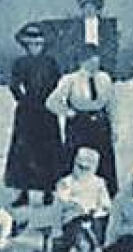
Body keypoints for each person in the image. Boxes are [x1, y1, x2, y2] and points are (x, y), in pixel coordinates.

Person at [4, 23, 67, 209]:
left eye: (38, 45)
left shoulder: (51, 63)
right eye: (31, 45)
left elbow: (58, 85)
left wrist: (50, 101)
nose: (34, 48)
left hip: (47, 113)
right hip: (27, 113)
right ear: (26, 46)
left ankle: (49, 191)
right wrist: (24, 100)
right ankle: (23, 191)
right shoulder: (20, 63)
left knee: (48, 151)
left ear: (43, 45)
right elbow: (14, 85)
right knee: (24, 152)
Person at [47, 44, 119, 195]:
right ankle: (72, 198)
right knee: (76, 160)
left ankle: (104, 199)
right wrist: (69, 113)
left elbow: (111, 104)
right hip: (79, 125)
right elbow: (51, 102)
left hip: (100, 124)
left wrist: (114, 128)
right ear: (82, 61)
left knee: (103, 162)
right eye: (90, 62)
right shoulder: (70, 79)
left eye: (96, 62)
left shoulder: (104, 78)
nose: (94, 65)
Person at [53, 145, 113, 252]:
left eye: (87, 169)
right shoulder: (67, 182)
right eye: (80, 167)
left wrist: (98, 210)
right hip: (73, 219)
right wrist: (75, 205)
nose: (82, 171)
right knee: (79, 237)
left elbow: (106, 203)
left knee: (96, 237)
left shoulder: (99, 183)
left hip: (94, 218)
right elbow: (62, 200)